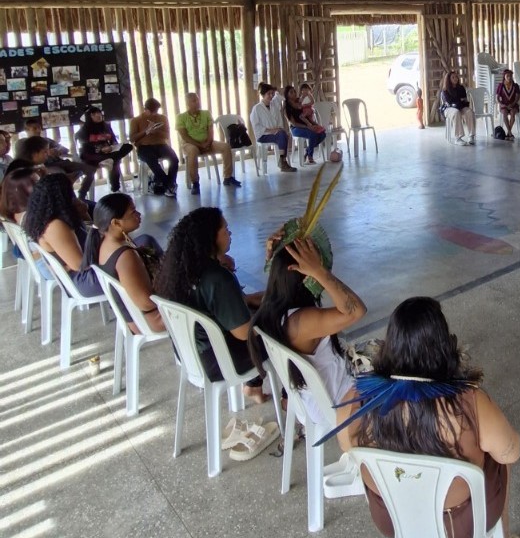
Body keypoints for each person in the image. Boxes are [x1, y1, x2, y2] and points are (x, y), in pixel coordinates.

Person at [329, 296, 520, 538]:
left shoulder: (355, 401)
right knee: (498, 459)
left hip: (392, 521)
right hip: (459, 528)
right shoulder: (470, 404)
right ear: (443, 346)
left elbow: (347, 447)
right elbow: (512, 451)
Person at [155, 208, 279, 459]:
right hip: (222, 360)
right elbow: (245, 333)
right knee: (283, 330)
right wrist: (277, 306)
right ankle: (291, 396)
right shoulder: (216, 278)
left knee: (268, 311)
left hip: (193, 356)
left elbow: (235, 304)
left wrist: (263, 298)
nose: (230, 233)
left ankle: (254, 387)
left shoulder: (184, 270)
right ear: (210, 237)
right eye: (225, 229)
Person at [249, 234, 367, 430]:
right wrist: (319, 272)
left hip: (311, 400)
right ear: (304, 275)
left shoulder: (273, 308)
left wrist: (278, 250)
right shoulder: (301, 322)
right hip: (336, 402)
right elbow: (356, 310)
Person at [80, 193, 165, 332]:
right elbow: (145, 303)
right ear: (116, 223)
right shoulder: (125, 256)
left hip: (134, 317)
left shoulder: (105, 241)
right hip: (148, 320)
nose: (138, 214)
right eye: (133, 212)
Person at [22, 173, 101, 296]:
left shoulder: (50, 217)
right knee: (129, 265)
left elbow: (87, 234)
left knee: (139, 244)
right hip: (82, 280)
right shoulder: (55, 226)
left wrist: (84, 213)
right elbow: (79, 264)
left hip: (86, 272)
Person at [175, 93, 240, 195]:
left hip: (207, 142)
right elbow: (184, 136)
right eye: (194, 101)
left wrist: (208, 142)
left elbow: (211, 131)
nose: (197, 102)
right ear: (187, 103)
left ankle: (228, 177)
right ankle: (195, 182)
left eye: (198, 100)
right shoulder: (181, 117)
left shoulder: (206, 113)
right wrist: (199, 145)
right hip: (189, 144)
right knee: (193, 151)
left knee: (225, 146)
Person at [75, 106, 134, 199]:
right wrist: (100, 149)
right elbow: (84, 145)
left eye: (99, 113)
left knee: (128, 147)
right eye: (94, 114)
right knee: (114, 162)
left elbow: (114, 140)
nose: (98, 115)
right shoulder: (84, 130)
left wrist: (112, 146)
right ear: (89, 117)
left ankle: (115, 188)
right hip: (91, 156)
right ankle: (82, 194)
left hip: (107, 153)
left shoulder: (106, 126)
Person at [129, 98, 179, 196]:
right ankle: (169, 185)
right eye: (151, 111)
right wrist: (146, 131)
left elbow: (167, 135)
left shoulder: (163, 118)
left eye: (156, 111)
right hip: (144, 147)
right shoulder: (136, 120)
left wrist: (156, 131)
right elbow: (132, 138)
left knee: (174, 159)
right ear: (145, 109)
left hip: (161, 144)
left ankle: (170, 184)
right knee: (152, 161)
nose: (154, 114)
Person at [250, 83, 296, 172]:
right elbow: (256, 126)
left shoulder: (273, 105)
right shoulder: (257, 108)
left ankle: (282, 161)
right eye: (268, 94)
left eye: (272, 93)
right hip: (263, 135)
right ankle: (283, 162)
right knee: (282, 134)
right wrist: (271, 130)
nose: (271, 96)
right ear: (263, 95)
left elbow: (280, 96)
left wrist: (278, 129)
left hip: (276, 133)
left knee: (284, 134)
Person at [284, 84, 327, 166]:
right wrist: (308, 126)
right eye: (291, 92)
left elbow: (308, 110)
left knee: (322, 133)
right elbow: (294, 123)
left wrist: (313, 124)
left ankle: (307, 152)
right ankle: (310, 157)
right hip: (296, 128)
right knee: (313, 134)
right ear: (287, 95)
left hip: (307, 124)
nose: (294, 93)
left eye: (294, 91)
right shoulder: (287, 107)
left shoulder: (299, 101)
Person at [441, 70, 476, 146]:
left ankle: (471, 135)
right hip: (449, 109)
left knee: (469, 112)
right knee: (456, 112)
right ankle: (458, 138)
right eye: (453, 77)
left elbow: (465, 100)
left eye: (456, 77)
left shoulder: (461, 88)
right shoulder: (445, 90)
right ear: (449, 79)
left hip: (460, 106)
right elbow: (450, 102)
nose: (455, 78)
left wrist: (459, 100)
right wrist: (459, 100)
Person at [495, 69, 520, 141]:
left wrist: (513, 104)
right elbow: (497, 97)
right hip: (504, 105)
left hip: (514, 104)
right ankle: (509, 132)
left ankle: (509, 132)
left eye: (510, 76)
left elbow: (517, 97)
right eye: (507, 76)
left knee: (512, 113)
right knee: (505, 113)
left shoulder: (515, 86)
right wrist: (501, 104)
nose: (509, 77)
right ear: (504, 76)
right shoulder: (501, 85)